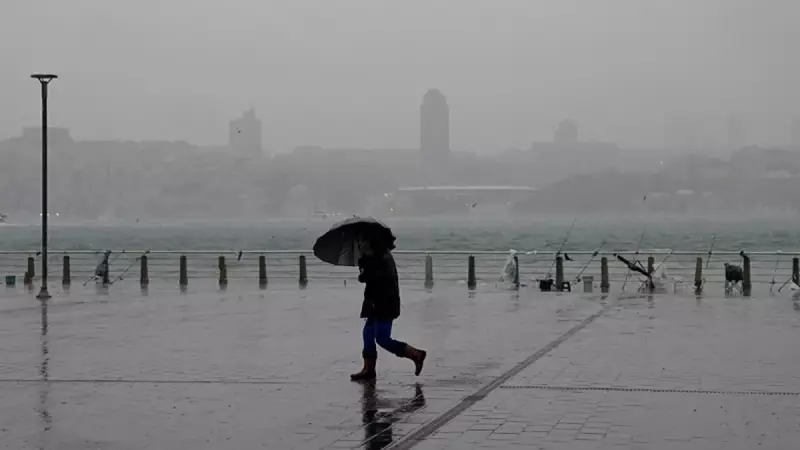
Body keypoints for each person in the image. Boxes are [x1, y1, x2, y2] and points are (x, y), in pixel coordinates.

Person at [350, 236, 427, 381]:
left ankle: (415, 354)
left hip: (384, 304)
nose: (361, 244)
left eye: (362, 241)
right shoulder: (376, 256)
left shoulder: (380, 258)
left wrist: (365, 270)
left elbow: (376, 279)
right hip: (375, 302)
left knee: (382, 338)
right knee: (367, 334)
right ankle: (368, 369)